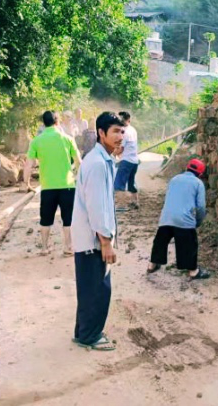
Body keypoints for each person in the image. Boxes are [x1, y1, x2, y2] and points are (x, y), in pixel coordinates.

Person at [71, 112, 125, 351]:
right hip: (93, 240)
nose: (120, 136)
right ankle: (90, 337)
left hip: (89, 237)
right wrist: (106, 241)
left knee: (88, 287)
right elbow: (97, 206)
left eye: (122, 132)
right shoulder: (97, 164)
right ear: (101, 133)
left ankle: (83, 331)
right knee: (98, 289)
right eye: (115, 131)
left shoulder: (101, 160)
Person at [22, 111, 81, 256]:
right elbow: (79, 161)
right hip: (67, 185)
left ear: (43, 123)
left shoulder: (36, 141)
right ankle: (68, 247)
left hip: (47, 186)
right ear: (57, 122)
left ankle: (44, 248)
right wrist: (78, 177)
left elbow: (28, 165)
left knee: (46, 218)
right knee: (68, 218)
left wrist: (26, 183)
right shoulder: (67, 139)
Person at [147, 159, 210, 280]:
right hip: (184, 220)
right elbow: (201, 206)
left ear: (187, 167)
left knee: (160, 242)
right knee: (189, 244)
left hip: (166, 217)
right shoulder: (198, 183)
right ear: (200, 174)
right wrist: (198, 221)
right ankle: (193, 271)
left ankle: (152, 265)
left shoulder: (174, 179)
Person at [114, 111, 139, 210]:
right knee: (131, 182)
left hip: (126, 160)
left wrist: (112, 155)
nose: (120, 121)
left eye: (121, 120)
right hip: (134, 161)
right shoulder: (133, 130)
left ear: (128, 120)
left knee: (119, 183)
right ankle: (135, 202)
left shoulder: (124, 132)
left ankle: (121, 205)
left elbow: (121, 149)